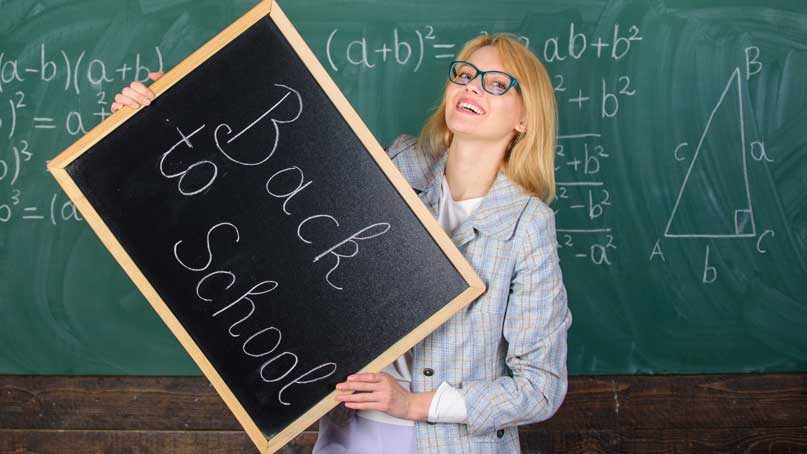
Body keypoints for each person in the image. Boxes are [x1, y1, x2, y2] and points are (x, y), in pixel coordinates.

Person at [112, 33, 571, 454]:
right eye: (466, 74)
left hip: (449, 445)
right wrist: (164, 114)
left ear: (526, 118)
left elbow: (540, 388)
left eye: (496, 84)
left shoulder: (526, 225)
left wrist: (413, 404)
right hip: (346, 434)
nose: (472, 86)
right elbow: (264, 186)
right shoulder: (395, 166)